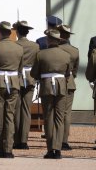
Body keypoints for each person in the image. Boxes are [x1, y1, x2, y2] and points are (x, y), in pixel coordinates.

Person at [0, 21, 23, 159]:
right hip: (13, 83)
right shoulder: (19, 48)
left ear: (0, 32)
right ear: (10, 33)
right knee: (9, 116)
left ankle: (0, 148)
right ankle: (8, 149)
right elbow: (20, 69)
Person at [31, 29, 71, 159]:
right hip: (61, 86)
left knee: (48, 118)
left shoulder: (41, 54)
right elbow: (67, 73)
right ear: (58, 41)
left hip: (47, 85)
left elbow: (34, 73)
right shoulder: (66, 55)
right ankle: (58, 149)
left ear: (48, 40)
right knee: (59, 118)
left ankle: (50, 149)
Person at [13, 20, 40, 150]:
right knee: (26, 110)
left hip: (17, 78)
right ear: (27, 32)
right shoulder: (35, 46)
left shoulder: (14, 45)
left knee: (16, 109)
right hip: (30, 78)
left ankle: (17, 140)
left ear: (17, 32)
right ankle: (24, 140)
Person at [57, 24, 79, 151]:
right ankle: (64, 141)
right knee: (67, 112)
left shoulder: (55, 49)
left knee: (56, 112)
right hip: (69, 81)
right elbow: (75, 71)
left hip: (57, 81)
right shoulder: (75, 50)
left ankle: (57, 140)